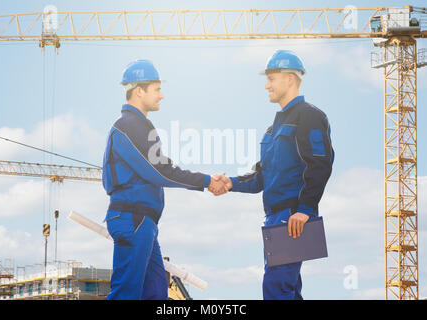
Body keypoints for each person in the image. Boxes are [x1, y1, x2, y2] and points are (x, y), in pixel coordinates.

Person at [213, 50, 334, 300]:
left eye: (271, 78)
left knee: (276, 288)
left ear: (290, 79)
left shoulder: (309, 116)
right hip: (276, 218)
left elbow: (320, 163)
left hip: (292, 217)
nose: (266, 85)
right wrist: (231, 183)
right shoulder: (274, 126)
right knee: (287, 290)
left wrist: (306, 208)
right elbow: (261, 176)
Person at [102, 59, 227, 300]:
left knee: (157, 293)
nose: (162, 96)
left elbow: (159, 168)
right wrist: (206, 180)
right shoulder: (130, 125)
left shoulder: (136, 126)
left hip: (142, 221)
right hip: (134, 219)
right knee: (126, 294)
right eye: (157, 89)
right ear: (139, 90)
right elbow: (160, 171)